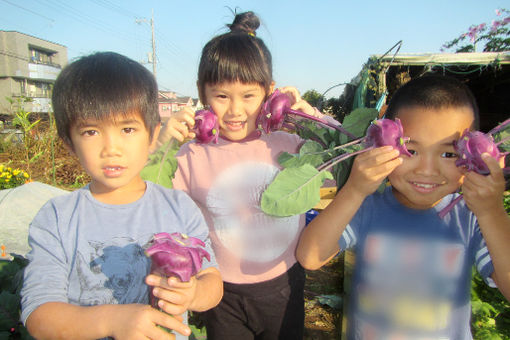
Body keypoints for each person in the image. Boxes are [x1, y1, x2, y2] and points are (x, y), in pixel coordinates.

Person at [157, 11, 335, 340]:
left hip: (283, 283)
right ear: (202, 92)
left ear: (269, 92)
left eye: (249, 96)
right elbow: (148, 192)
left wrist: (310, 115)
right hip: (220, 292)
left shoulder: (288, 143)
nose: (236, 110)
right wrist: (162, 142)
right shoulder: (191, 155)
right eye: (222, 96)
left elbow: (340, 162)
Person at [20, 51, 223, 340]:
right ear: (69, 143)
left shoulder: (179, 207)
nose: (111, 148)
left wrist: (193, 294)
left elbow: (212, 280)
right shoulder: (57, 217)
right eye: (91, 132)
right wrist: (114, 321)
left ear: (153, 136)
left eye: (127, 129)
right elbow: (39, 314)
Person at [297, 75, 510, 339]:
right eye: (411, 149)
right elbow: (310, 257)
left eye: (448, 154)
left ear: (472, 156)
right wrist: (354, 189)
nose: (427, 170)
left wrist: (492, 211)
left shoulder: (470, 217)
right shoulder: (367, 208)